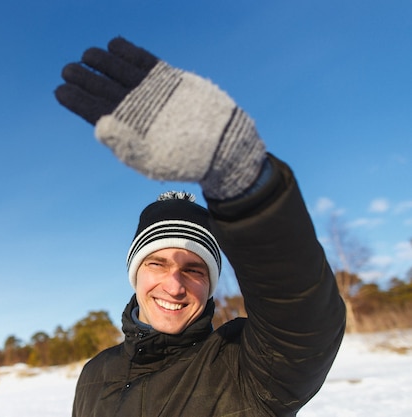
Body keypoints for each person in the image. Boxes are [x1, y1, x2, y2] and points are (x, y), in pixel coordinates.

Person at [55, 37, 346, 417]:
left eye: (194, 269)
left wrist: (241, 178)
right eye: (156, 263)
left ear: (210, 284)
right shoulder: (94, 374)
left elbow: (303, 320)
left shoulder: (245, 371)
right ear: (135, 272)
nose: (174, 286)